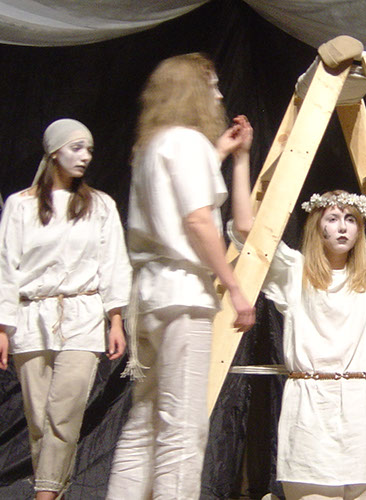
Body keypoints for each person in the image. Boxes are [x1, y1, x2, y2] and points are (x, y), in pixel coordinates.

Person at [105, 53, 255, 500]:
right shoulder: (187, 142)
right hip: (183, 293)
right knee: (182, 429)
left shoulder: (151, 147)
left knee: (145, 423)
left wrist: (223, 153)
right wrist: (234, 287)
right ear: (193, 91)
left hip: (150, 296)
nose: (219, 96)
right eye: (212, 85)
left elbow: (176, 197)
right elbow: (197, 219)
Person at [228, 189, 366, 500]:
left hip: (363, 409)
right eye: (333, 218)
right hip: (311, 408)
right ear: (317, 225)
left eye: (350, 219)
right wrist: (241, 163)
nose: (342, 227)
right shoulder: (295, 270)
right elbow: (247, 231)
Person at [0, 118, 131, 500]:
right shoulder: (21, 206)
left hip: (83, 316)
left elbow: (114, 263)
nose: (85, 156)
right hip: (30, 318)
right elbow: (6, 268)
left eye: (89, 149)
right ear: (54, 151)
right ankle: (54, 491)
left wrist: (116, 319)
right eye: (76, 147)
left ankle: (43, 495)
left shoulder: (100, 205)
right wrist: (3, 327)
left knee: (64, 414)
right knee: (39, 420)